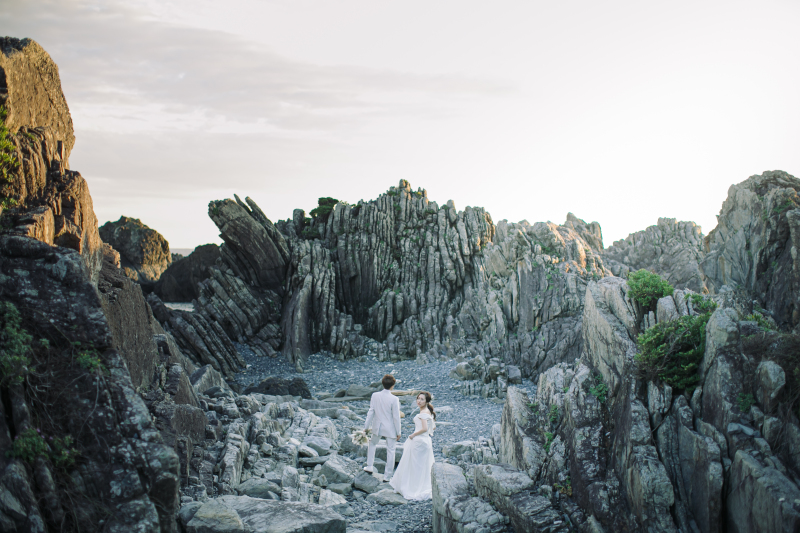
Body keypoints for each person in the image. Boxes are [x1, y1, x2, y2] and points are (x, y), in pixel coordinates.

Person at [389, 391, 436, 500]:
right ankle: (416, 485)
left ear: (427, 401)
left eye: (422, 399)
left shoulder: (424, 413)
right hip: (425, 440)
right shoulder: (428, 411)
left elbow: (424, 428)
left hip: (419, 441)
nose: (419, 401)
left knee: (415, 465)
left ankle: (413, 488)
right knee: (421, 465)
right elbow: (432, 428)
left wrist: (412, 435)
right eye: (418, 398)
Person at [363, 374, 402, 482]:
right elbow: (396, 417)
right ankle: (387, 476)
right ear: (392, 385)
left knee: (372, 444)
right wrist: (398, 431)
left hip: (377, 426)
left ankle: (370, 466)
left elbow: (371, 412)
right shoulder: (394, 399)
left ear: (382, 383)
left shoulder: (375, 395)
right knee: (391, 451)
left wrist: (366, 427)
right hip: (390, 428)